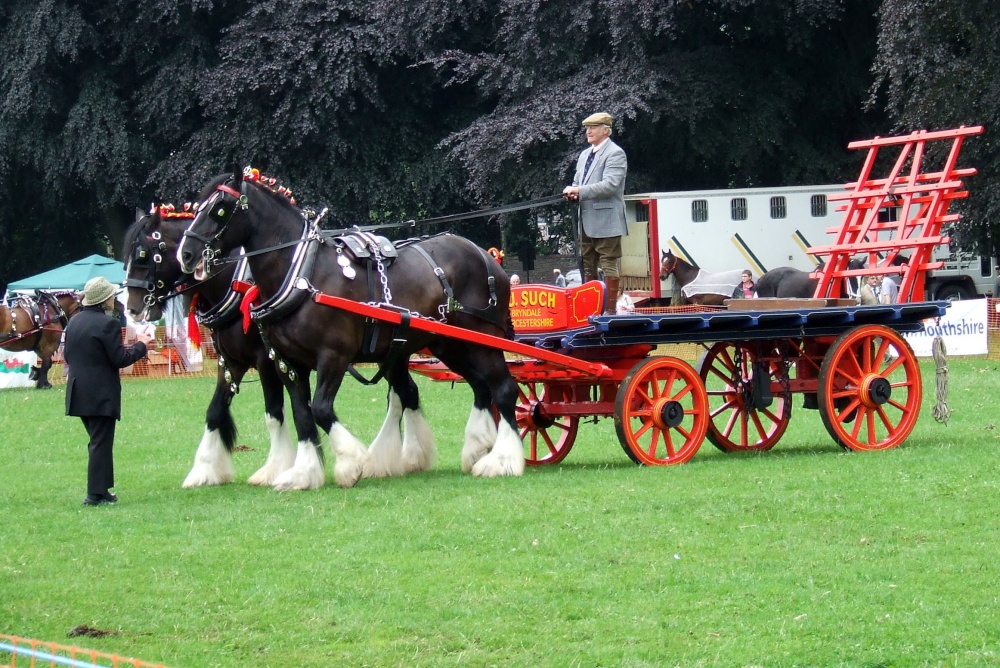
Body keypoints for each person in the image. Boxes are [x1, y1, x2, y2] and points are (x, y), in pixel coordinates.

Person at [64, 277, 152, 507]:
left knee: (98, 441)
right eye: (112, 295)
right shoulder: (108, 324)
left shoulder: (73, 322)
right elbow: (121, 359)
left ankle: (102, 491)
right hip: (100, 394)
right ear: (104, 299)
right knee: (100, 443)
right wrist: (141, 344)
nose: (114, 299)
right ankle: (94, 495)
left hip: (77, 391)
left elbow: (67, 357)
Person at [563, 112, 628, 315]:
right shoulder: (584, 155)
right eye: (587, 128)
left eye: (593, 127)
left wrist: (579, 191)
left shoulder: (616, 153)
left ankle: (609, 311)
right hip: (586, 221)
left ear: (606, 130)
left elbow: (610, 185)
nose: (588, 131)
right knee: (587, 265)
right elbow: (577, 182)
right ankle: (589, 309)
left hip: (607, 220)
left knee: (609, 265)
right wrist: (573, 192)